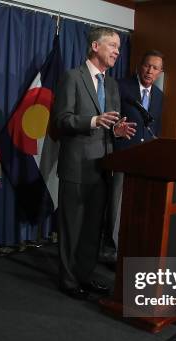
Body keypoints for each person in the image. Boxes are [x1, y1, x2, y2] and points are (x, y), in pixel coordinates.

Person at [51, 27, 136, 299]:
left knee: (91, 230)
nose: (117, 51)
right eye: (112, 45)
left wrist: (117, 130)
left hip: (102, 167)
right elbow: (61, 121)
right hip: (76, 167)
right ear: (95, 46)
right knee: (72, 228)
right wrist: (92, 121)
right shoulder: (72, 77)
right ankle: (68, 281)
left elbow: (110, 122)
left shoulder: (111, 84)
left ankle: (84, 276)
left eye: (119, 47)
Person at [101, 50, 164, 262]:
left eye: (155, 68)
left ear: (160, 72)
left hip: (145, 162)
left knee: (138, 209)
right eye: (147, 65)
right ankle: (111, 253)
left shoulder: (159, 95)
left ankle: (130, 249)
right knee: (116, 208)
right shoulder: (121, 86)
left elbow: (156, 128)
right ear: (140, 66)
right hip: (123, 156)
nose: (150, 71)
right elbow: (109, 118)